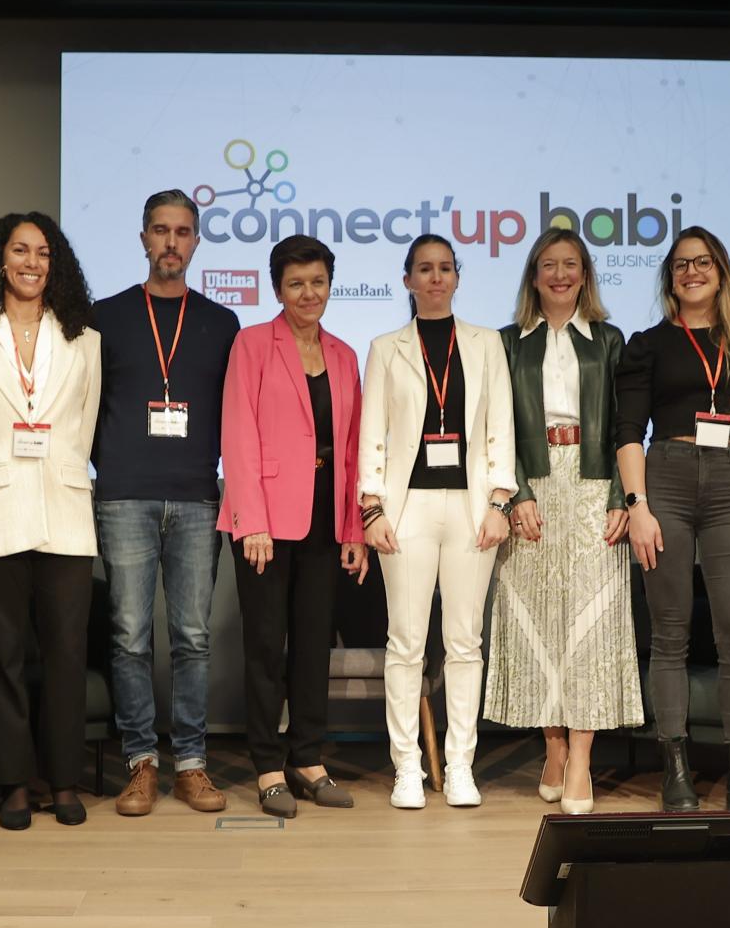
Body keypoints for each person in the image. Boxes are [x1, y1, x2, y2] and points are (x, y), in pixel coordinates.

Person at [615, 225, 730, 813]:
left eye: (703, 263)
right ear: (671, 276)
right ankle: (676, 771)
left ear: (721, 271)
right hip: (664, 476)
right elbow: (627, 433)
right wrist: (636, 506)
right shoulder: (647, 345)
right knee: (668, 636)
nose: (692, 272)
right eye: (681, 264)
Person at [0, 213, 102, 829]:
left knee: (65, 653)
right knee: (1, 654)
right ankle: (10, 783)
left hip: (64, 507)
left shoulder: (84, 338)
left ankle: (62, 780)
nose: (32, 262)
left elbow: (82, 429)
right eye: (20, 250)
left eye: (43, 252)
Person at [484, 228, 642, 814]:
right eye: (548, 265)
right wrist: (516, 492)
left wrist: (622, 497)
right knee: (539, 625)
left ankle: (580, 761)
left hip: (594, 484)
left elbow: (629, 426)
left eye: (570, 264)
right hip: (532, 485)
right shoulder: (506, 343)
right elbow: (494, 426)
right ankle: (551, 748)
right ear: (532, 275)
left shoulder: (609, 340)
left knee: (591, 630)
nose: (559, 274)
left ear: (585, 274)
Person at [92, 189, 239, 818]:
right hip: (124, 494)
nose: (171, 243)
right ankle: (140, 763)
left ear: (196, 241)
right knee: (128, 636)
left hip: (198, 497)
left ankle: (193, 765)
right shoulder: (103, 318)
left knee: (192, 637)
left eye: (183, 232)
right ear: (144, 237)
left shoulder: (221, 323)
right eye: (161, 231)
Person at [359, 234, 516, 809]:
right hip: (408, 509)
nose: (434, 278)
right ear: (407, 280)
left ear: (457, 277)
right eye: (423, 269)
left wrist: (500, 503)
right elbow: (372, 432)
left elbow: (501, 425)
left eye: (445, 268)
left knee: (464, 643)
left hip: (472, 507)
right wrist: (371, 508)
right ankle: (406, 766)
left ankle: (459, 765)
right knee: (405, 643)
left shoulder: (484, 344)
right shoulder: (385, 347)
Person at [218, 236, 369, 818]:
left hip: (326, 519)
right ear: (277, 289)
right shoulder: (253, 344)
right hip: (266, 523)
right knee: (264, 647)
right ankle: (267, 768)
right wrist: (250, 520)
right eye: (296, 283)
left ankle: (308, 759)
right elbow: (239, 434)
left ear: (331, 284)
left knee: (312, 647)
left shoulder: (344, 354)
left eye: (318, 282)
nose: (309, 293)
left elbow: (352, 449)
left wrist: (353, 529)